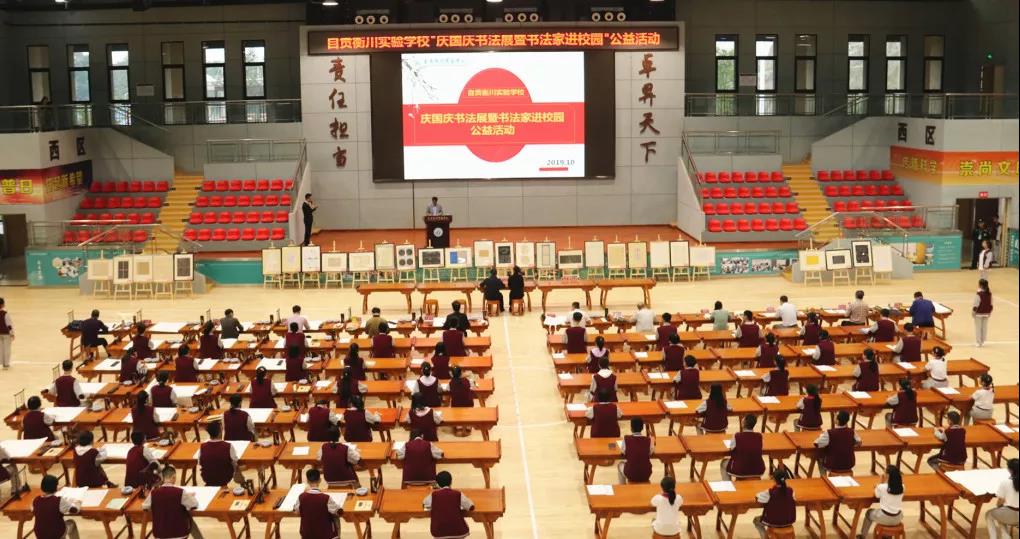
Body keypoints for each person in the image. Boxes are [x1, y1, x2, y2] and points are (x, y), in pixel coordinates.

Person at [143, 465, 203, 539]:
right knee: (188, 517)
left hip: (160, 535)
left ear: (162, 478)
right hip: (179, 534)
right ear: (173, 477)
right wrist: (189, 496)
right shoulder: (180, 492)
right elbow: (194, 504)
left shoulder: (153, 493)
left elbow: (145, 506)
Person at [423, 471, 474, 539]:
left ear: (437, 484)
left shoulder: (433, 495)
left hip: (438, 532)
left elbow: (425, 504)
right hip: (459, 531)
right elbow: (471, 507)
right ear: (451, 482)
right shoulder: (458, 494)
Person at [859, 465, 905, 538]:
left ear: (887, 475)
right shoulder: (902, 487)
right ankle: (887, 536)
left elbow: (876, 495)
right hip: (898, 518)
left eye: (884, 472)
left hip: (884, 517)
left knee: (869, 513)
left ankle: (863, 535)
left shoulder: (882, 487)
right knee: (886, 513)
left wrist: (880, 482)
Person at [295, 468, 342, 538]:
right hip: (324, 535)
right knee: (335, 517)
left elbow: (296, 511)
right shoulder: (326, 498)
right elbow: (337, 511)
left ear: (307, 481)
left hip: (307, 534)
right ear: (320, 480)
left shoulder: (301, 497)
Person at [33, 474, 82, 539]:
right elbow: (75, 510)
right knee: (72, 523)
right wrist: (78, 502)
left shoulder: (36, 500)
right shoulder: (58, 500)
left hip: (40, 535)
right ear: (55, 487)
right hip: (56, 534)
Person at [753, 467, 797, 538]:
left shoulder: (770, 492)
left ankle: (765, 537)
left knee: (756, 521)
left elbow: (758, 497)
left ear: (774, 480)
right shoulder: (791, 491)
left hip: (774, 522)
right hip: (788, 521)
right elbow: (794, 499)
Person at [197, 422, 244, 486]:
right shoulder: (228, 446)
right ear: (220, 432)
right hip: (224, 477)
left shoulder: (202, 447)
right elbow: (235, 462)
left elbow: (199, 462)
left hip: (207, 477)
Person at [721, 415, 766, 480]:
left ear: (743, 424)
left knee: (723, 463)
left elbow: (731, 448)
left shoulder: (737, 435)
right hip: (758, 470)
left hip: (740, 470)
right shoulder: (759, 436)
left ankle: (727, 484)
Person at [986, 458, 1019, 539]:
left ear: (1010, 470)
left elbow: (1000, 501)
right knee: (1001, 512)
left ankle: (995, 537)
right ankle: (1005, 535)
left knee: (989, 514)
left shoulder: (1005, 482)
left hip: (1011, 514)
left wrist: (999, 506)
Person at [618, 417, 654, 484]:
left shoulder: (626, 439)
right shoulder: (649, 440)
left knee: (620, 464)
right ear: (642, 428)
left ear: (631, 428)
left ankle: (623, 487)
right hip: (646, 473)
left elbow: (623, 452)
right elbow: (651, 452)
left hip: (631, 473)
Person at [973, 278, 993, 347]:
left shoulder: (978, 294)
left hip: (979, 314)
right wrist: (989, 312)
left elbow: (976, 305)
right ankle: (983, 340)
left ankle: (978, 342)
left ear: (980, 285)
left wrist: (973, 312)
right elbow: (991, 304)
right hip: (986, 313)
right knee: (984, 327)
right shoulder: (989, 294)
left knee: (978, 328)